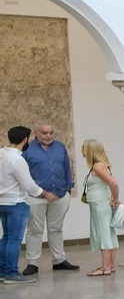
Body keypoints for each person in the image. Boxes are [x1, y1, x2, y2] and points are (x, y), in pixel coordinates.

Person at [21, 120, 75, 273]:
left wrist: (68, 188)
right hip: (35, 197)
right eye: (44, 133)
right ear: (36, 133)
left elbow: (67, 167)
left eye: (51, 132)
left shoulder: (60, 147)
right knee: (34, 231)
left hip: (59, 195)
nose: (48, 136)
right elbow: (22, 173)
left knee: (56, 229)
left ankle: (59, 260)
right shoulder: (28, 149)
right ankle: (33, 263)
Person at [1, 126, 53, 284]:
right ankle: (12, 273)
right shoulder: (18, 160)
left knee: (6, 237)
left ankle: (2, 271)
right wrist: (45, 193)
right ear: (25, 140)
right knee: (14, 239)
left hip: (2, 202)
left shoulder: (1, 154)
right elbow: (29, 185)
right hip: (16, 203)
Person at [80, 139, 121, 276]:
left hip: (100, 205)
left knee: (103, 233)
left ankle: (105, 267)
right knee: (109, 233)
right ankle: (110, 265)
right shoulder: (102, 165)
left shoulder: (97, 166)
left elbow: (114, 184)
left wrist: (115, 199)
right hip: (102, 203)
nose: (82, 151)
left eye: (84, 148)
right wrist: (114, 198)